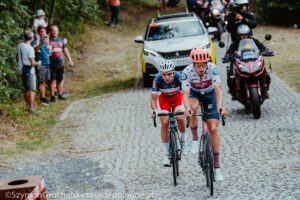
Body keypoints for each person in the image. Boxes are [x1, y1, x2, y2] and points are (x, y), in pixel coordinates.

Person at [182, 48, 226, 181]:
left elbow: (218, 90)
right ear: (193, 64)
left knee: (213, 128)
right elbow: (185, 93)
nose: (201, 68)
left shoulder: (213, 69)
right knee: (193, 107)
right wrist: (187, 108)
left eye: (203, 65)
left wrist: (220, 107)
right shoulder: (186, 71)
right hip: (194, 94)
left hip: (210, 94)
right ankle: (195, 139)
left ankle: (217, 168)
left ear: (207, 63)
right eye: (198, 65)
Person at [151, 60, 186, 167]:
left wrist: (187, 107)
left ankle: (183, 140)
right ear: (161, 73)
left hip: (177, 96)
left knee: (180, 117)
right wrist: (154, 110)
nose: (166, 77)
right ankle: (166, 154)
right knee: (165, 122)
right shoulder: (157, 79)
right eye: (164, 74)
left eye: (169, 74)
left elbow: (185, 94)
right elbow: (154, 98)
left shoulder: (179, 77)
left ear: (174, 72)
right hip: (164, 98)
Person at [17, 31, 41, 113]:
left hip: (21, 70)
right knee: (31, 90)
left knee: (27, 89)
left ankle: (27, 106)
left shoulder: (19, 45)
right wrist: (39, 63)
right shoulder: (30, 48)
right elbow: (33, 63)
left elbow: (17, 57)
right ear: (32, 38)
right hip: (29, 71)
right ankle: (31, 108)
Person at [49, 25, 74, 102]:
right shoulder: (48, 40)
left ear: (58, 31)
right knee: (52, 80)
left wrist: (69, 60)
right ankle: (52, 96)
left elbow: (65, 50)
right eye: (53, 30)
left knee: (60, 79)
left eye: (56, 30)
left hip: (60, 62)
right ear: (50, 32)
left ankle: (60, 94)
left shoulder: (61, 40)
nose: (55, 32)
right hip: (51, 62)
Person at [32, 25, 52, 106]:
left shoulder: (47, 40)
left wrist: (49, 48)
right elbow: (35, 50)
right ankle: (42, 99)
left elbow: (49, 51)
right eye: (41, 32)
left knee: (46, 81)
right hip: (41, 63)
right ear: (38, 32)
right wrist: (41, 43)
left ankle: (44, 98)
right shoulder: (35, 40)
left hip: (47, 62)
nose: (42, 33)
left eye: (44, 32)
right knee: (41, 81)